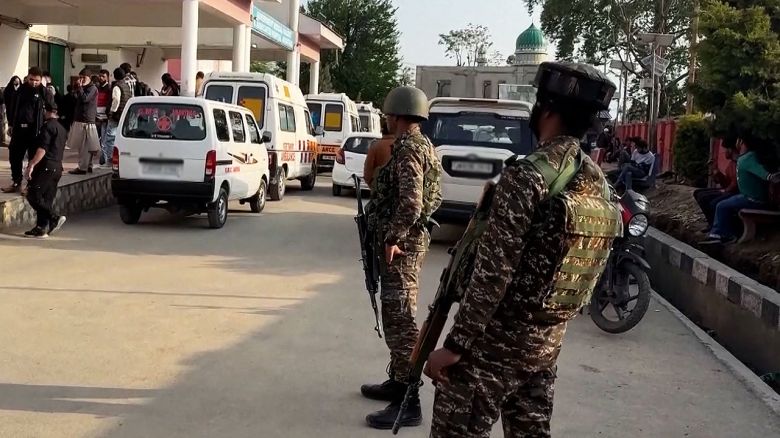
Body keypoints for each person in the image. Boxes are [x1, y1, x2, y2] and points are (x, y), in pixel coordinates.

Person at [424, 62, 621, 438]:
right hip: (545, 346)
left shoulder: (526, 176)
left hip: (493, 345)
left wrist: (456, 344)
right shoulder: (597, 181)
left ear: (546, 110)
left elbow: (493, 271)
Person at [361, 86, 442, 429]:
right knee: (396, 316)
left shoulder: (409, 148)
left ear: (395, 115)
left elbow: (411, 202)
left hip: (403, 247)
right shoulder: (422, 144)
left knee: (401, 322)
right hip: (409, 243)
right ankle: (397, 382)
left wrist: (393, 237)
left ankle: (409, 402)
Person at [702, 137, 780, 244]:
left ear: (741, 142)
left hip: (754, 200)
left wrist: (770, 177)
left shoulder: (749, 158)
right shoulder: (744, 158)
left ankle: (724, 235)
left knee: (721, 206)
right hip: (746, 196)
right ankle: (718, 232)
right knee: (721, 203)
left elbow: (761, 172)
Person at [2, 67, 54, 193]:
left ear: (41, 80)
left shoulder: (44, 92)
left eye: (36, 80)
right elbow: (13, 108)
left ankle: (31, 185)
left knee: (33, 158)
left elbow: (52, 109)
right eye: (31, 79)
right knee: (15, 156)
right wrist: (11, 125)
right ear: (28, 77)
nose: (34, 82)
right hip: (19, 129)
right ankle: (16, 181)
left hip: (35, 131)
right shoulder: (20, 90)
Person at [23, 100, 67, 238]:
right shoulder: (62, 128)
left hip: (47, 166)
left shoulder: (47, 127)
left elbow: (42, 149)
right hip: (57, 167)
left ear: (45, 111)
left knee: (33, 194)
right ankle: (41, 228)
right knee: (46, 198)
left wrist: (32, 164)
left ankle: (54, 217)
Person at [693, 144, 739, 231]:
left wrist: (725, 190)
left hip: (735, 192)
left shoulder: (737, 164)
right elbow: (725, 182)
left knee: (710, 201)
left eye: (726, 149)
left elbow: (735, 184)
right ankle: (711, 223)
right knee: (698, 193)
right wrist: (716, 172)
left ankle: (716, 226)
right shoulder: (731, 164)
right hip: (728, 190)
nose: (725, 152)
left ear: (731, 150)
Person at [67, 69, 101, 175]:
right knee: (85, 146)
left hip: (87, 121)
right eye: (80, 77)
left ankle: (83, 167)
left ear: (89, 78)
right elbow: (75, 99)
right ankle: (88, 165)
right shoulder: (83, 88)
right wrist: (77, 88)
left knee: (85, 146)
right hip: (80, 119)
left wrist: (80, 88)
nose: (81, 80)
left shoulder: (92, 88)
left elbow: (85, 99)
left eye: (84, 77)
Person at [101, 68, 132, 167]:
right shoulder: (127, 86)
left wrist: (111, 112)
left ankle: (109, 160)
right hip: (124, 115)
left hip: (116, 116)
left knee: (110, 138)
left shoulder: (117, 86)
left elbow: (116, 100)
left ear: (114, 76)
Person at [362, 118, 393, 188]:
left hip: (380, 189)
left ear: (382, 131)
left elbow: (367, 172)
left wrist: (373, 186)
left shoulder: (375, 146)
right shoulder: (402, 145)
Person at [95, 70, 112, 147]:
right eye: (100, 76)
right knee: (96, 136)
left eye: (103, 76)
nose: (101, 78)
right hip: (97, 116)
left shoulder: (109, 88)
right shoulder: (97, 88)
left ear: (107, 78)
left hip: (105, 116)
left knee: (104, 138)